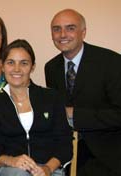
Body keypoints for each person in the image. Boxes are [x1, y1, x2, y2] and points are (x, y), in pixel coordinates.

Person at [45, 9, 121, 176]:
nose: (62, 34)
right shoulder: (51, 68)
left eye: (70, 28)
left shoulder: (111, 62)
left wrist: (75, 115)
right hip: (67, 154)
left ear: (83, 32)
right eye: (56, 29)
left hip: (108, 154)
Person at [0, 39, 72, 176]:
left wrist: (47, 169)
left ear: (32, 67)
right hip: (12, 170)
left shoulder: (52, 98)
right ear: (3, 66)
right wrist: (12, 161)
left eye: (24, 63)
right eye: (11, 62)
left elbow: (65, 144)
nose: (17, 69)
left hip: (50, 169)